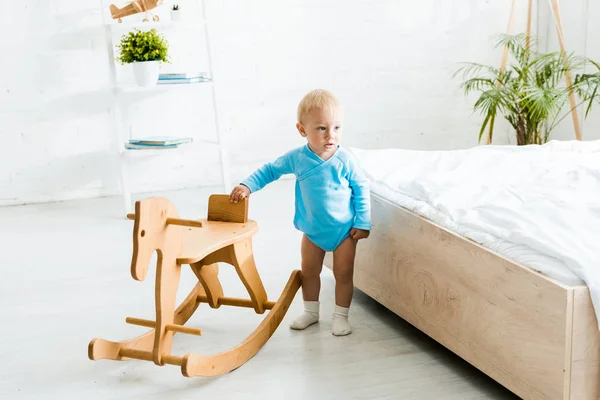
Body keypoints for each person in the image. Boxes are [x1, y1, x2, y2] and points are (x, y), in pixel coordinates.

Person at [229, 89, 371, 336]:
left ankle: (340, 316)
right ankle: (311, 312)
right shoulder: (298, 158)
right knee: (309, 272)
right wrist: (247, 185)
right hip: (313, 231)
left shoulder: (345, 160)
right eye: (321, 128)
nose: (331, 135)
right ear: (302, 129)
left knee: (343, 274)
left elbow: (361, 188)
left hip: (344, 231)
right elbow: (270, 171)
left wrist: (363, 222)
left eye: (337, 128)